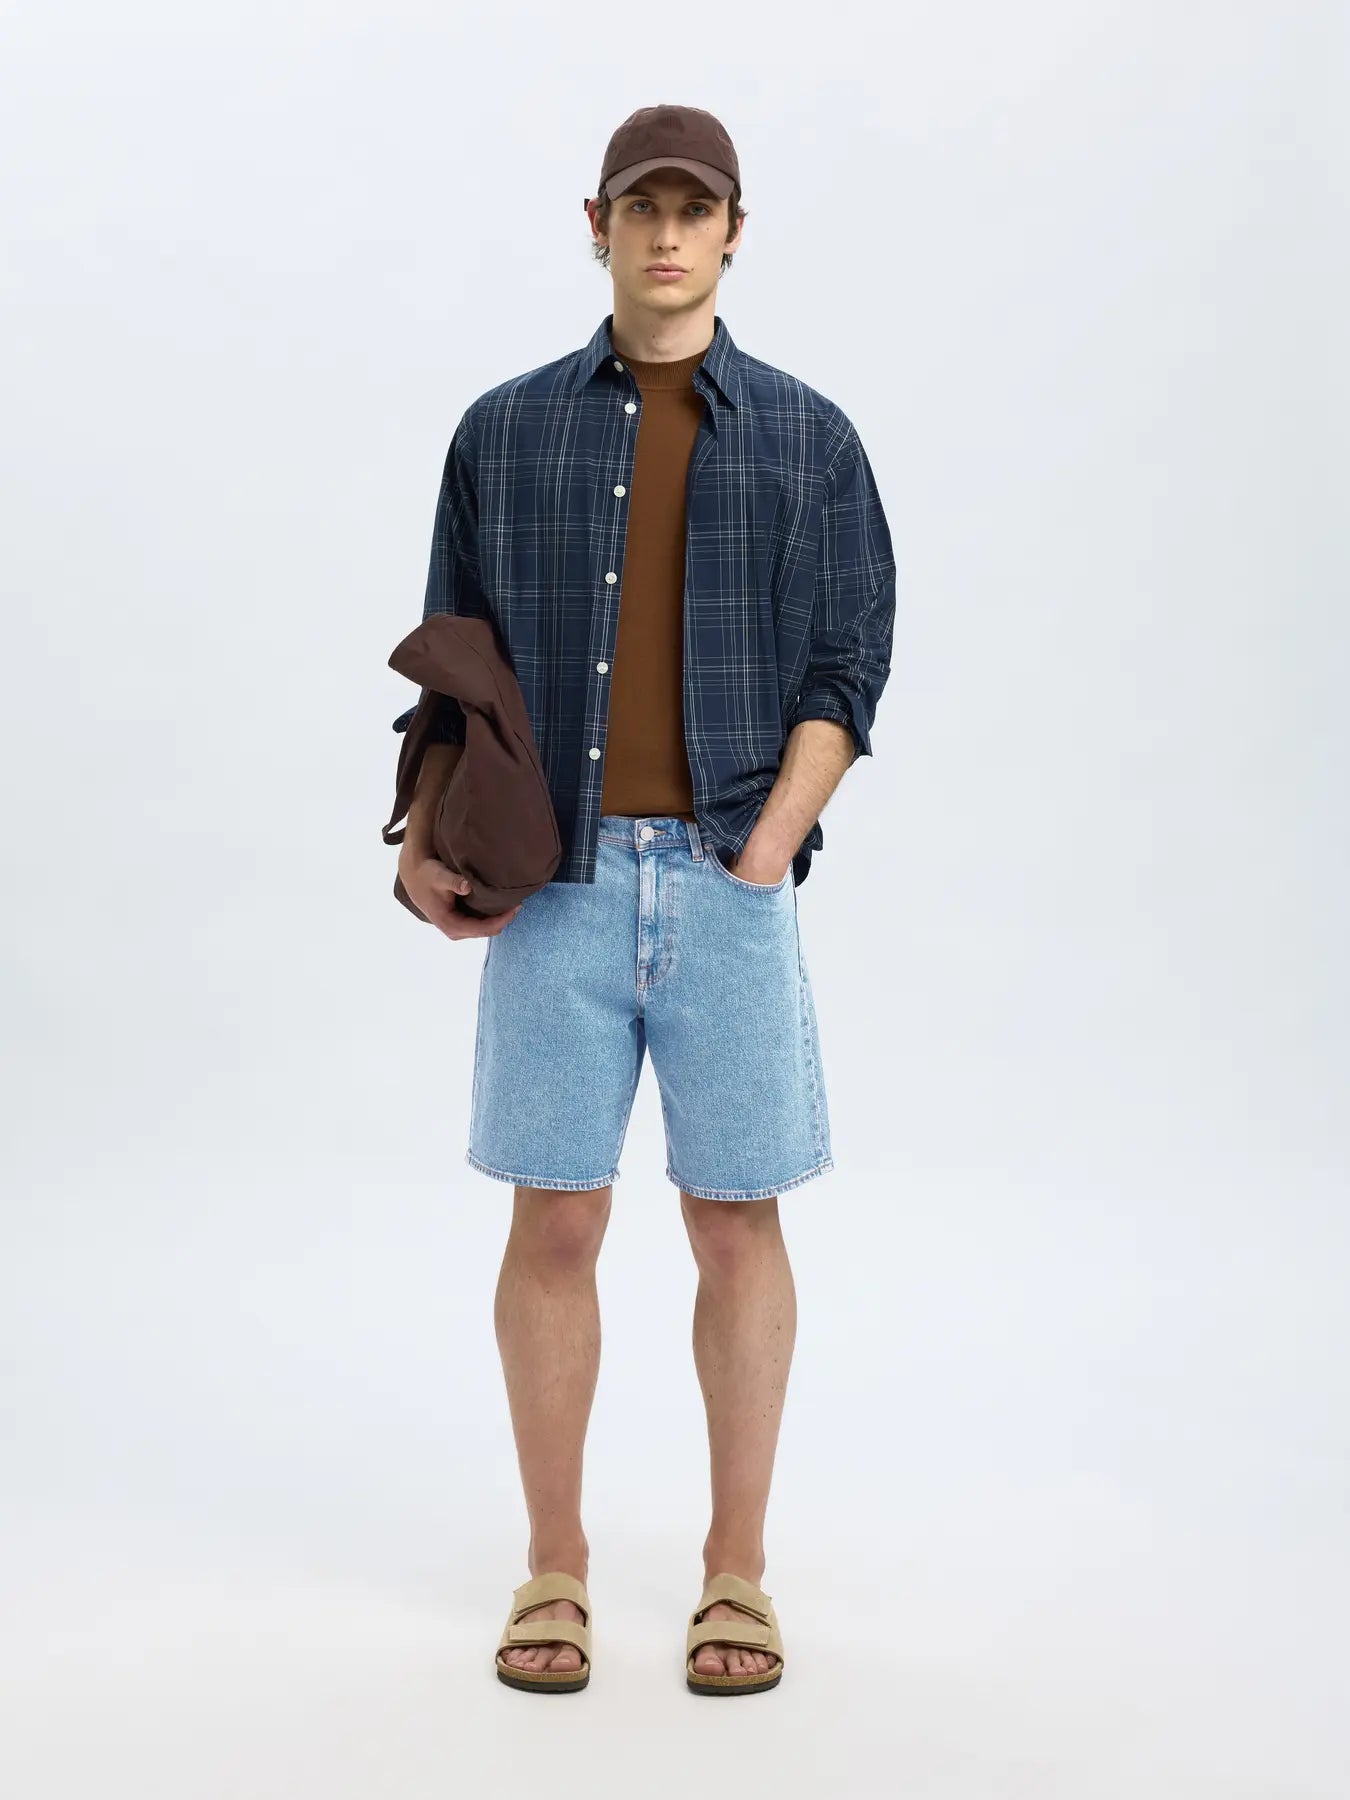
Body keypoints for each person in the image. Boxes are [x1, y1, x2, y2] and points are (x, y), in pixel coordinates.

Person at [393, 104, 896, 1694]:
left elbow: (848, 667)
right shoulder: (504, 432)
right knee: (555, 1216)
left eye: (694, 209)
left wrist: (765, 848)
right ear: (596, 223)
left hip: (729, 882)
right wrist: (418, 833)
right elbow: (454, 661)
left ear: (734, 230)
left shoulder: (809, 439)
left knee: (735, 1224)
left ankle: (735, 1571)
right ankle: (554, 1564)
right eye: (640, 207)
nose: (667, 234)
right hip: (555, 887)